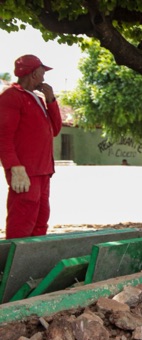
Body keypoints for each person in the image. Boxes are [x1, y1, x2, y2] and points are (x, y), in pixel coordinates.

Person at [0, 55, 62, 239]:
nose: (44, 77)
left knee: (41, 221)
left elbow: (55, 129)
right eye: (42, 72)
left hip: (43, 172)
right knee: (22, 222)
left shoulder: (38, 99)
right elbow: (3, 136)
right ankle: (12, 267)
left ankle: (33, 265)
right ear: (34, 73)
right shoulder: (11, 97)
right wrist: (14, 167)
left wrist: (51, 100)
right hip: (25, 172)